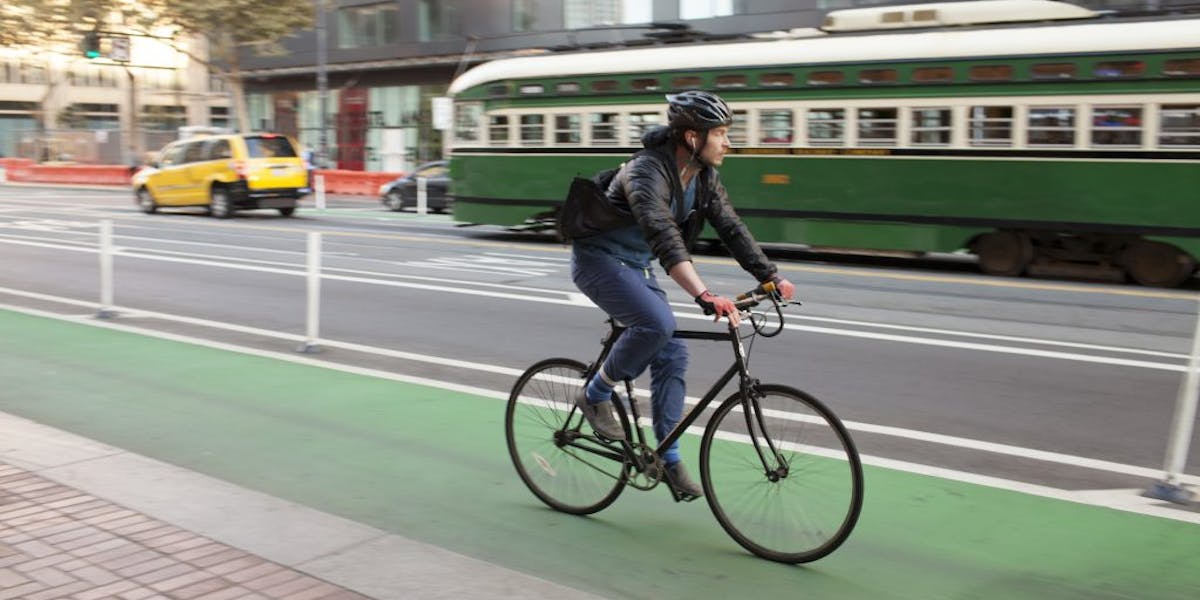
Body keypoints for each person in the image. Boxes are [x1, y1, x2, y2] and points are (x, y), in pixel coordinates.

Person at [570, 90, 795, 500]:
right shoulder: (645, 172)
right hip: (599, 261)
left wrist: (770, 276)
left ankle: (668, 459)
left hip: (635, 266)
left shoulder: (704, 178)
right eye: (721, 133)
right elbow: (663, 235)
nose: (728, 142)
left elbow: (731, 228)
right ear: (693, 137)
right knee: (657, 324)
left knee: (673, 352)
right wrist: (705, 295)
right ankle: (594, 395)